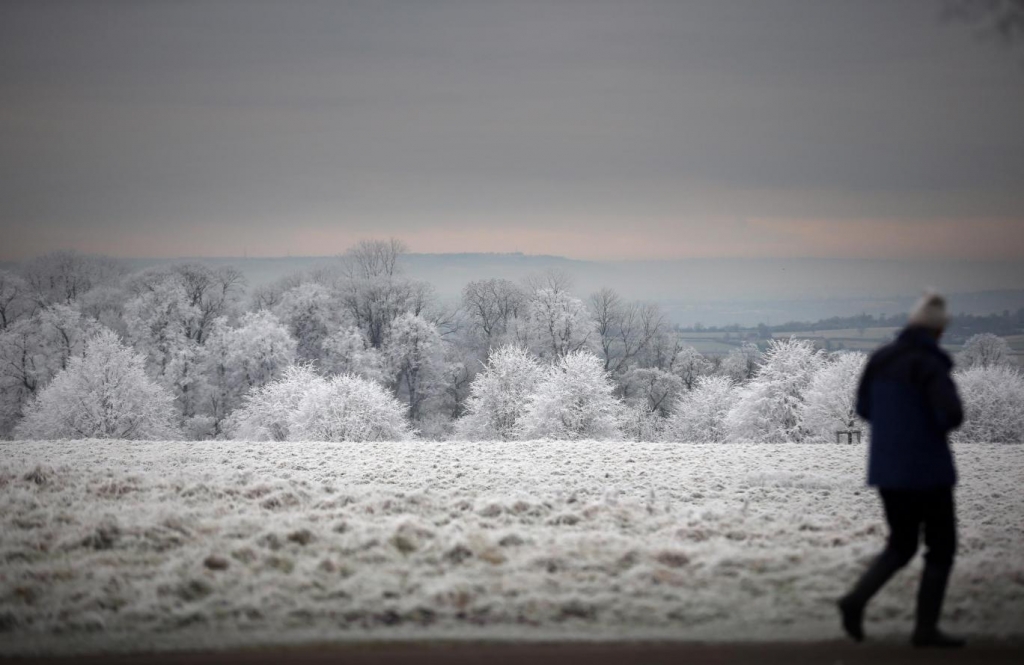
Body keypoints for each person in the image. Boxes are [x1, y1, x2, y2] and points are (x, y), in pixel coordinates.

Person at [838, 291, 965, 648]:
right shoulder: (930, 363)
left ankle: (855, 600)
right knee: (941, 547)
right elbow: (951, 414)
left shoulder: (880, 358)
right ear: (938, 331)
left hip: (887, 470)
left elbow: (864, 409)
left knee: (901, 543)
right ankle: (925, 629)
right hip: (927, 470)